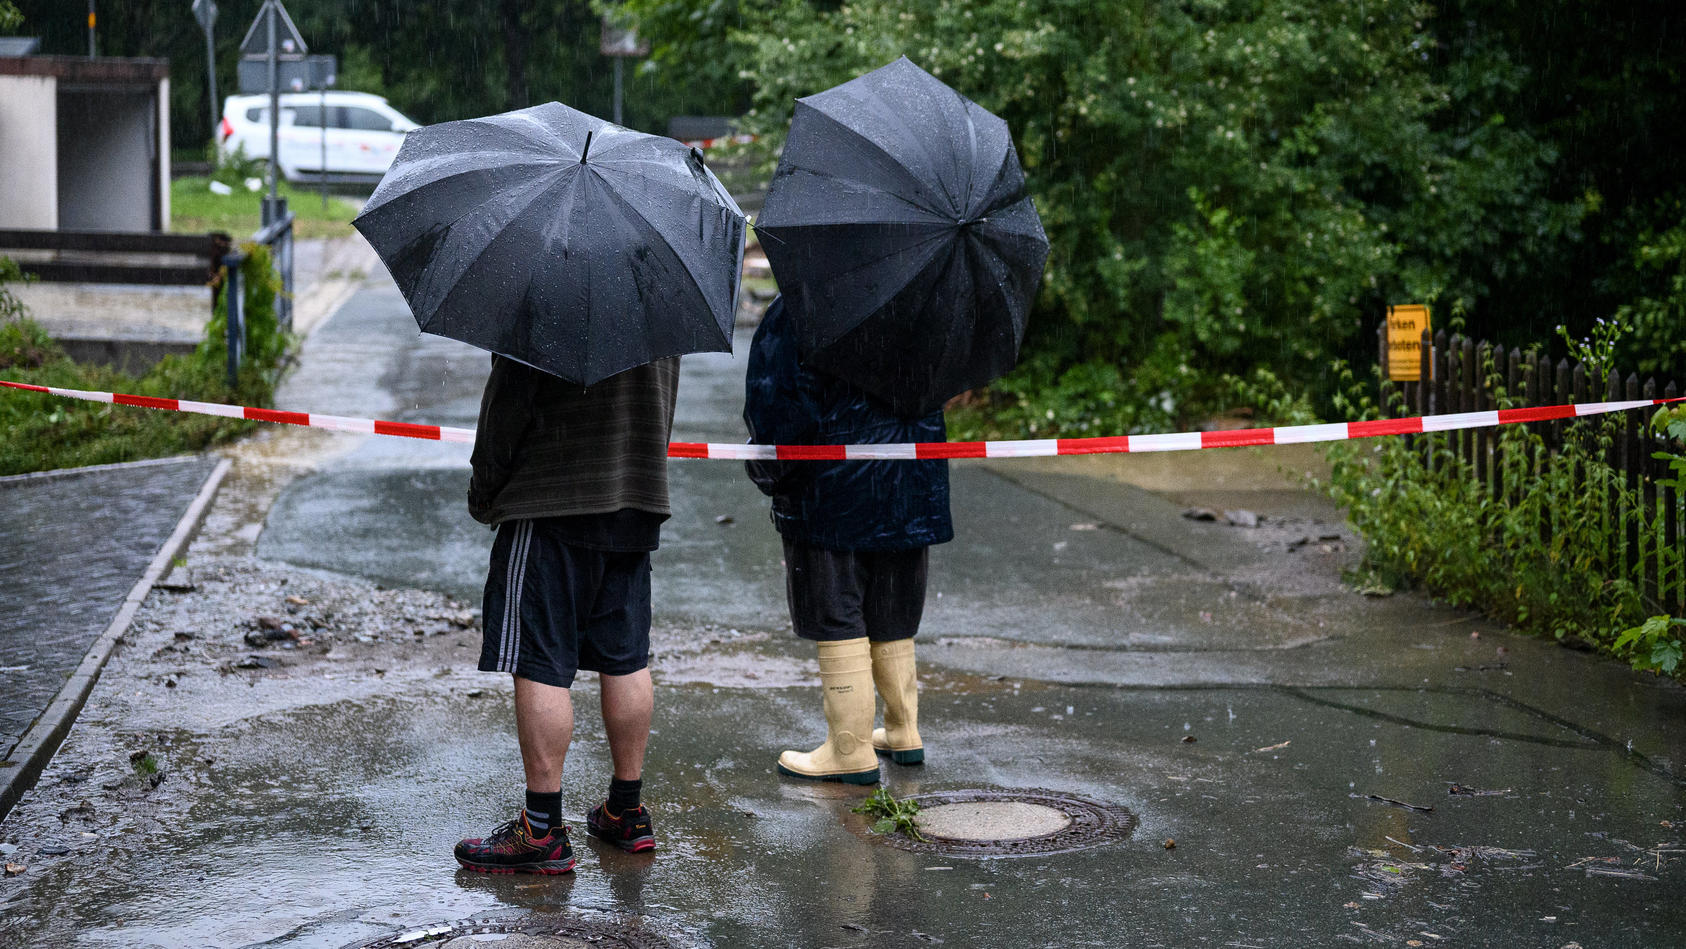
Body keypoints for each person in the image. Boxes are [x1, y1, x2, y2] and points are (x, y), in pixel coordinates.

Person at [453, 353, 679, 873]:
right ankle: (627, 810)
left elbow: (509, 401)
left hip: (552, 495)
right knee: (625, 657)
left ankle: (541, 830)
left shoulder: (547, 290)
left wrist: (485, 487)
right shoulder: (661, 293)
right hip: (636, 497)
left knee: (540, 661)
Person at [743, 296, 953, 784]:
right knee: (893, 600)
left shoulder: (802, 309)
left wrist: (771, 472)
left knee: (836, 608)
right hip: (911, 483)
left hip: (830, 490)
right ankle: (903, 730)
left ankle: (849, 748)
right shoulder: (921, 307)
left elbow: (777, 404)